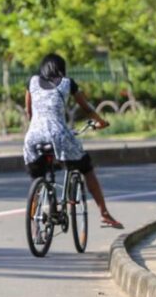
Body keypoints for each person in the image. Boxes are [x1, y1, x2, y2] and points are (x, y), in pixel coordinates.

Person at [22, 54, 122, 229]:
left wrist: (38, 127)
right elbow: (87, 109)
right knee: (86, 167)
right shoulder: (67, 83)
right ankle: (104, 213)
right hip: (59, 135)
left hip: (32, 137)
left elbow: (29, 112)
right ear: (62, 68)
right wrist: (101, 122)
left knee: (37, 175)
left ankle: (35, 208)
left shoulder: (32, 82)